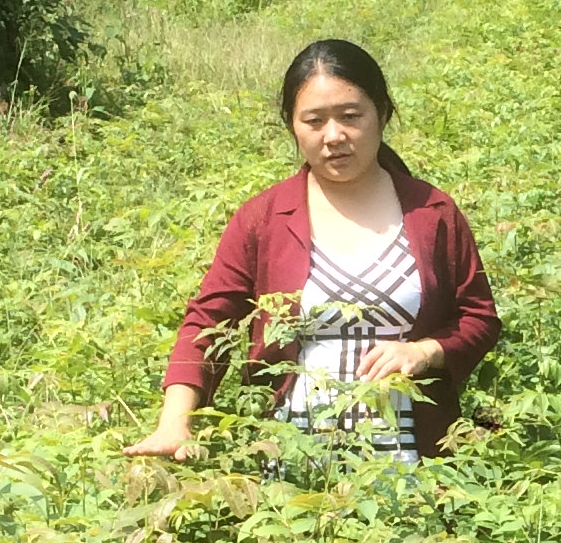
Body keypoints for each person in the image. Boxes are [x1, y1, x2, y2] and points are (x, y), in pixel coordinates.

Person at [130, 40, 500, 463]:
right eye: (314, 121)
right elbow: (208, 321)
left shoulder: (432, 213)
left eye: (350, 116)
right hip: (289, 462)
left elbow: (479, 318)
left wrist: (423, 352)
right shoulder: (264, 219)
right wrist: (175, 420)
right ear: (292, 126)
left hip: (413, 462)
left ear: (382, 113)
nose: (334, 136)